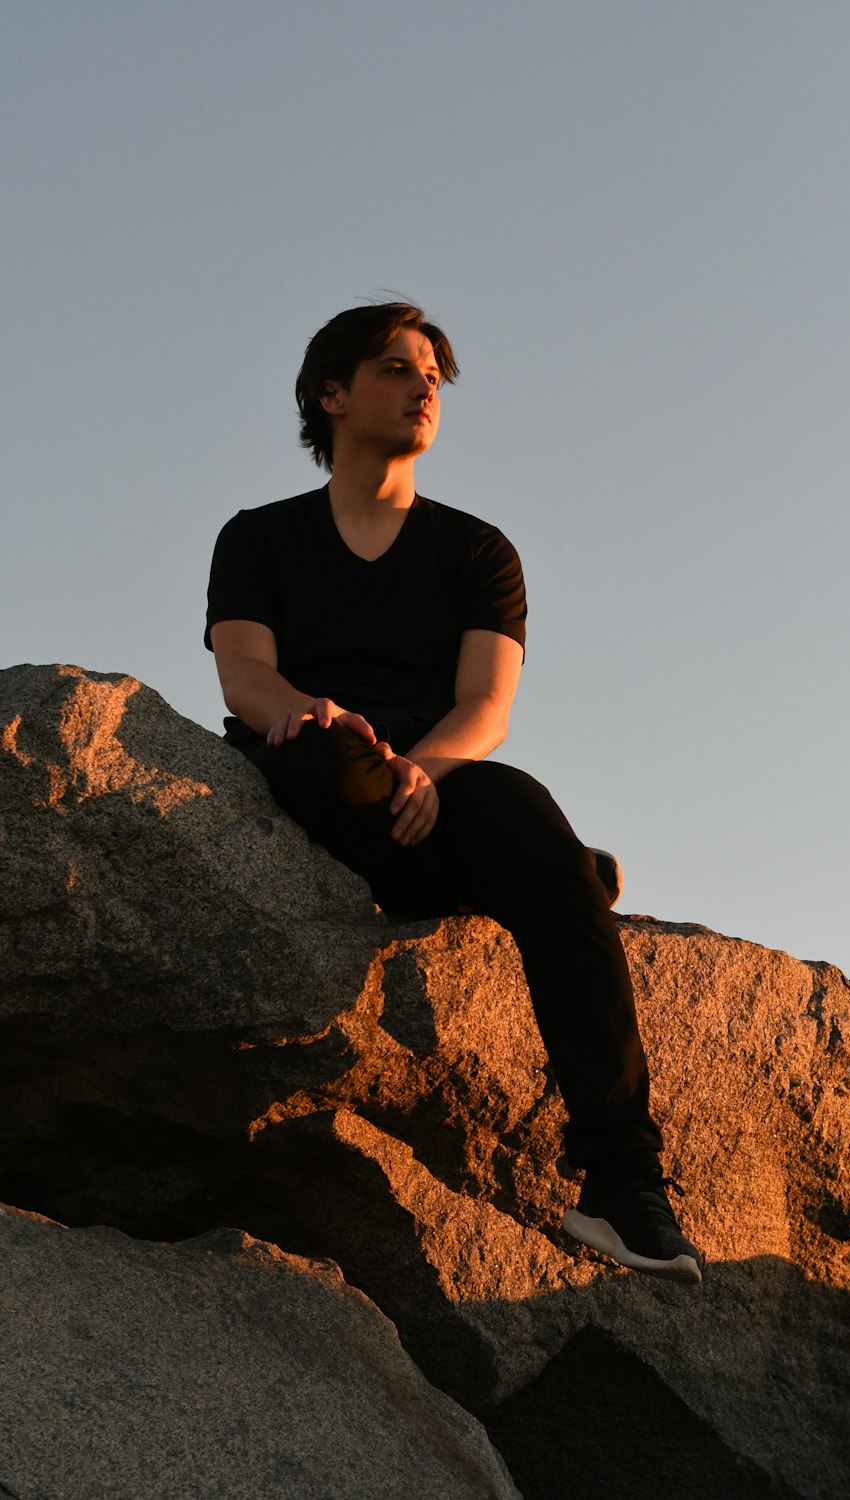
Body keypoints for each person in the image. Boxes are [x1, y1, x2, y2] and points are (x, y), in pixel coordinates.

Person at [205, 301, 702, 1284]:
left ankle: (622, 1184)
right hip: (313, 770)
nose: (424, 385)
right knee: (328, 758)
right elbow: (245, 681)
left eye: (434, 373)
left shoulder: (479, 553)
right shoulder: (258, 538)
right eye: (395, 367)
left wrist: (423, 771)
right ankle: (535, 874)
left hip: (438, 780)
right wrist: (336, 725)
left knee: (530, 825)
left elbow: (486, 705)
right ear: (331, 395)